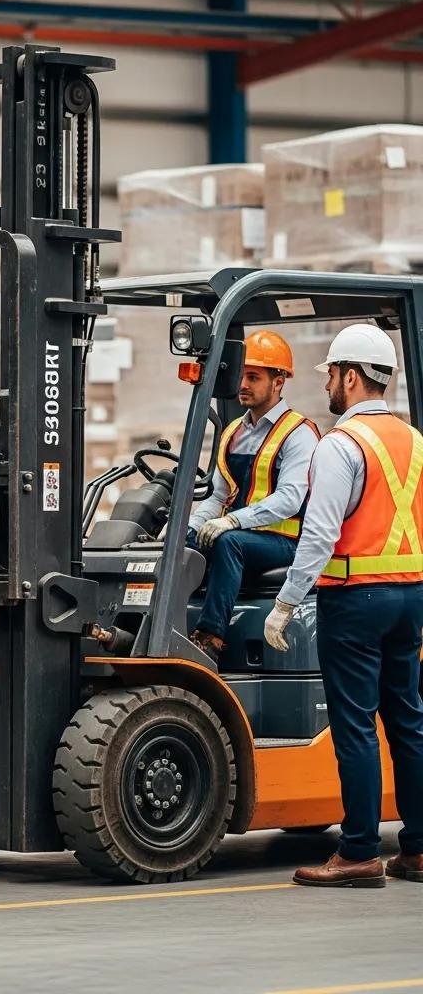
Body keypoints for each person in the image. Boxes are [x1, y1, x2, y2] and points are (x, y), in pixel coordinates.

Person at [265, 323, 423, 889]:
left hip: (355, 601)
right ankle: (419, 848)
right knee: (407, 721)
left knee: (354, 725)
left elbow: (319, 533)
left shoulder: (342, 445)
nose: (329, 384)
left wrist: (285, 604)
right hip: (410, 599)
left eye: (331, 374)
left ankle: (357, 851)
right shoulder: (416, 441)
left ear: (350, 376)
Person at [187, 330, 320, 664]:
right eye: (241, 375)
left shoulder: (299, 433)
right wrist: (187, 531)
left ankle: (209, 639)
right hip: (242, 536)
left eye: (253, 377)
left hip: (283, 541)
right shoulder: (233, 432)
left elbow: (290, 498)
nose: (243, 384)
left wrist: (232, 521)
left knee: (229, 543)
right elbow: (218, 495)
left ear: (278, 382)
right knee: (183, 544)